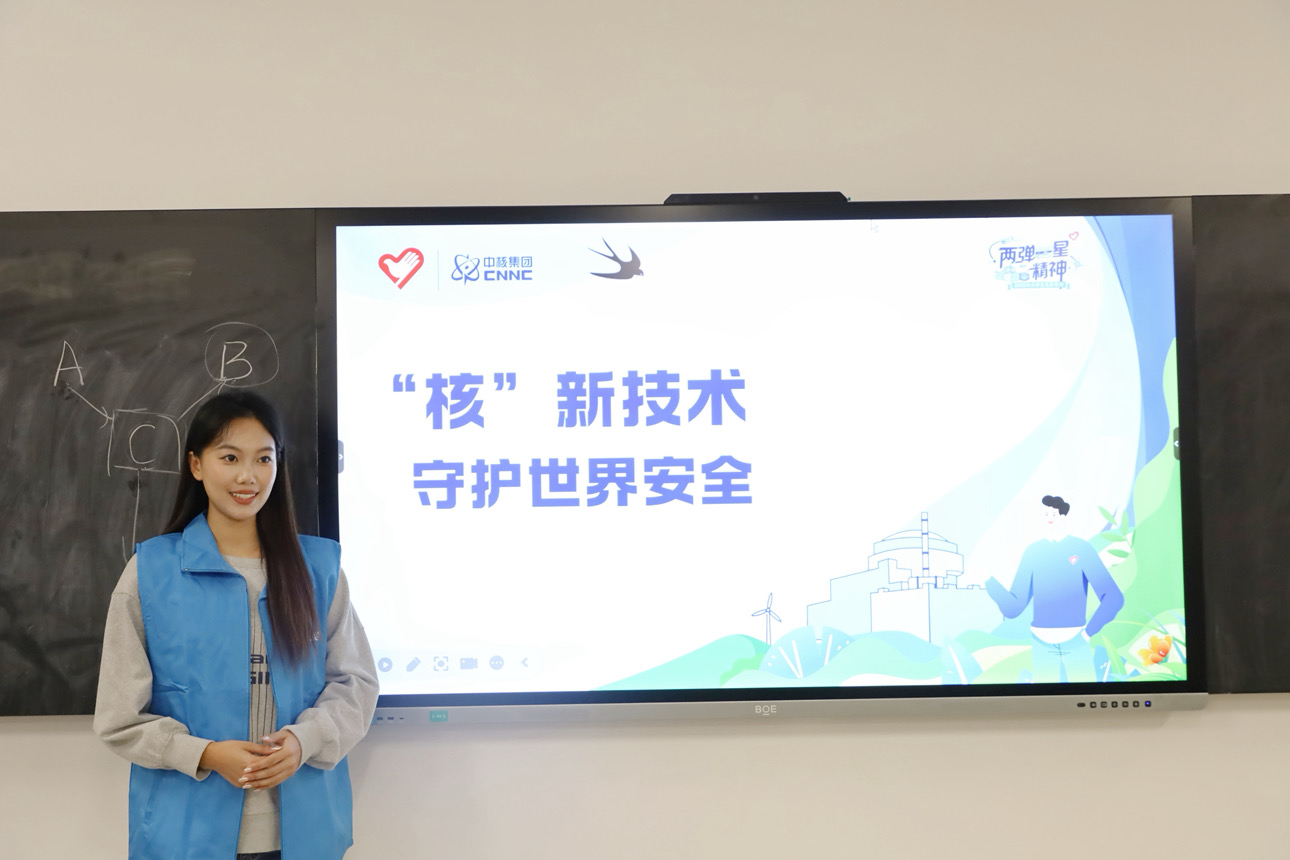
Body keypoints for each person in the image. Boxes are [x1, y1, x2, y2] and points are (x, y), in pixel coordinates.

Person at [94, 392, 379, 860]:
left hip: (303, 835)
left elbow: (357, 684)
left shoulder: (318, 569)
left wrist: (304, 740)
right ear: (197, 464)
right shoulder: (151, 572)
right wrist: (205, 754)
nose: (248, 476)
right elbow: (118, 717)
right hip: (185, 836)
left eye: (263, 459)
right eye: (230, 458)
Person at [985, 494, 1124, 683]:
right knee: (1043, 700)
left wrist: (1087, 633)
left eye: (1054, 514)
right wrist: (988, 581)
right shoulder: (1033, 552)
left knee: (1086, 697)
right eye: (1045, 514)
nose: (1049, 518)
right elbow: (1014, 607)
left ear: (1064, 516)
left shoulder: (1081, 549)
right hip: (1041, 643)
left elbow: (1113, 598)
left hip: (1076, 640)